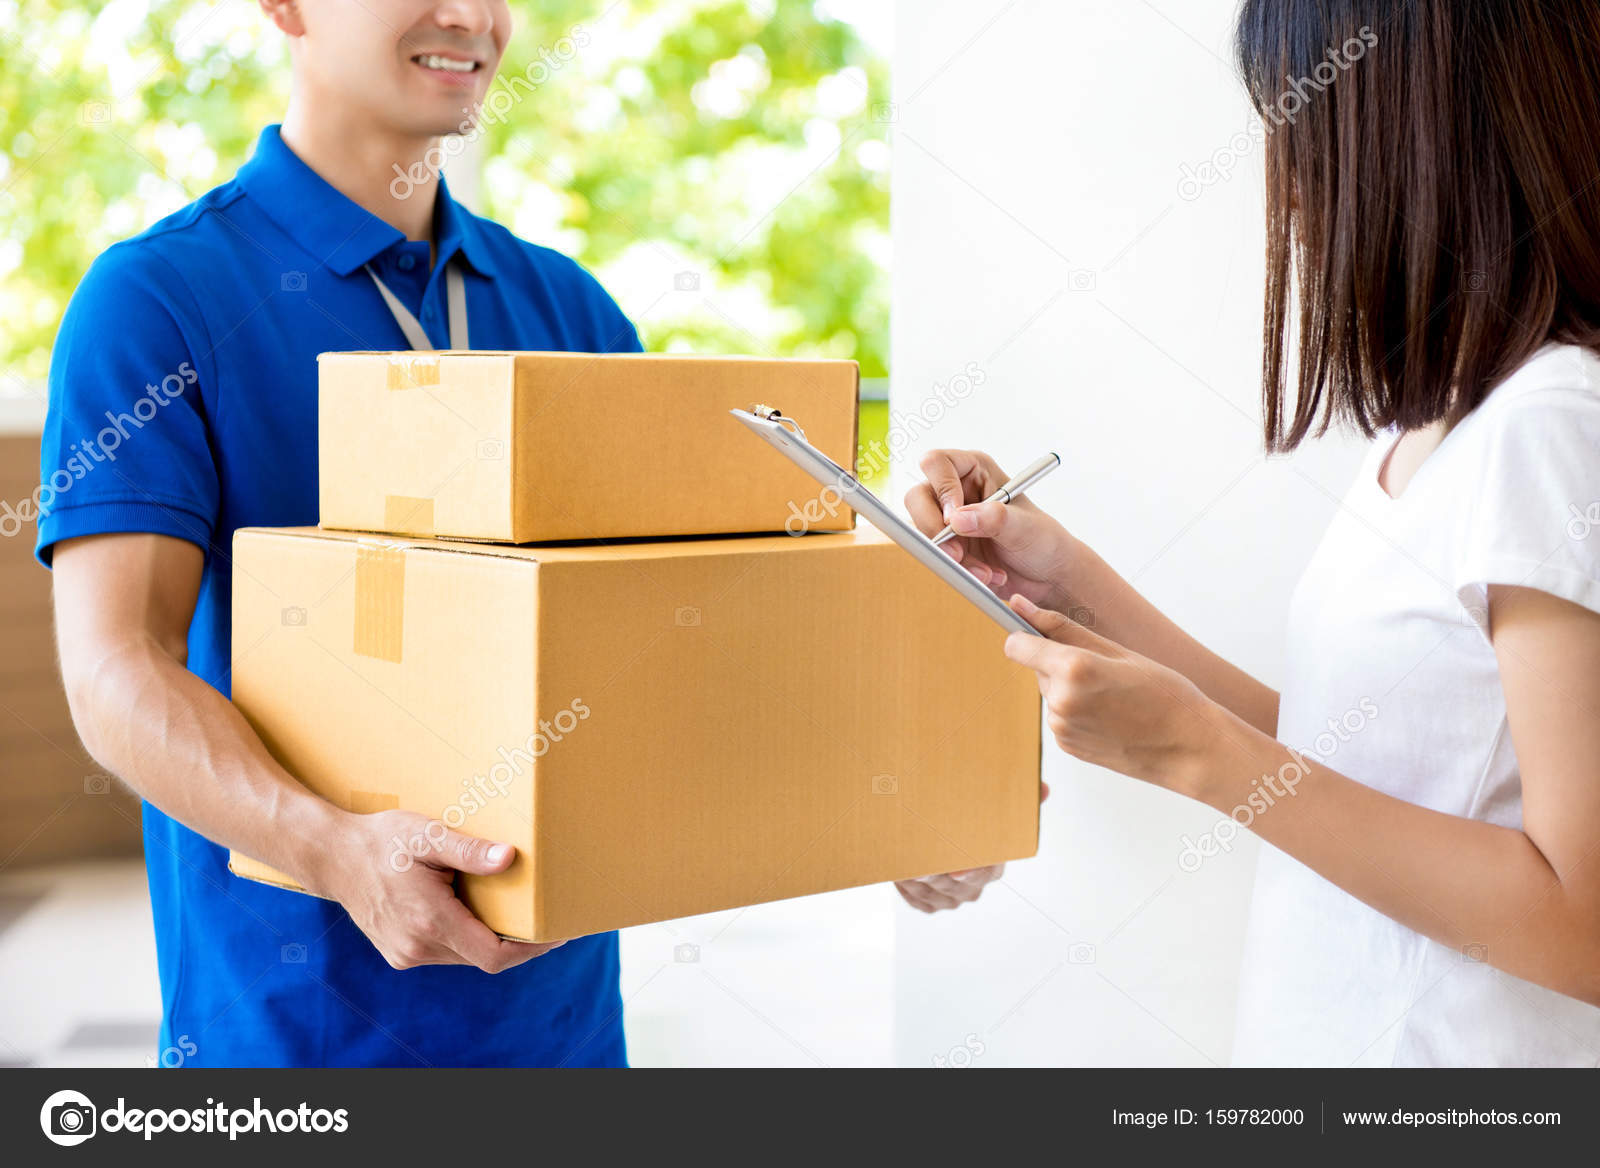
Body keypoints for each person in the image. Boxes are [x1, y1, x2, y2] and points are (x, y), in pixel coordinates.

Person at [42, 0, 985, 1068]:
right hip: (290, 1044)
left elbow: (679, 637)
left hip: (562, 1038)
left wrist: (899, 793)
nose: (471, 15)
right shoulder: (159, 298)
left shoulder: (566, 312)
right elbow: (117, 669)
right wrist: (338, 851)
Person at [907, 0, 1600, 1066]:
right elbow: (1353, 755)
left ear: (1410, 139)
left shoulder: (1552, 426)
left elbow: (1581, 925)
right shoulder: (1442, 428)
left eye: (1300, 128)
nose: (1288, 183)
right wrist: (1067, 582)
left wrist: (1199, 754)